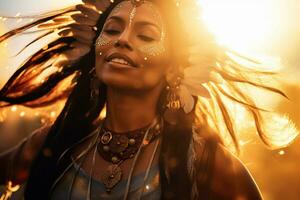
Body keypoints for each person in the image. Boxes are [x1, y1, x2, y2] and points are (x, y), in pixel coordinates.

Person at [0, 0, 296, 199]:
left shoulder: (207, 164)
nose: (123, 39)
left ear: (175, 67)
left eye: (146, 35)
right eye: (112, 29)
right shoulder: (57, 144)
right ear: (94, 51)